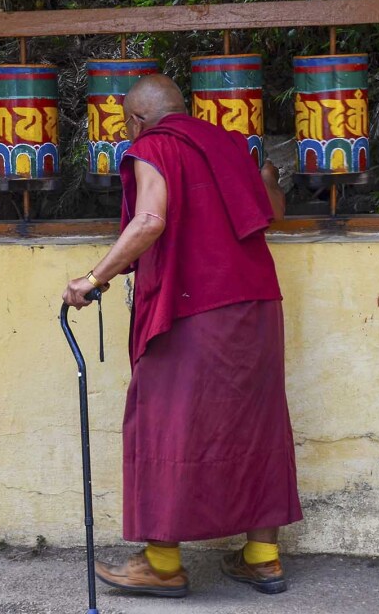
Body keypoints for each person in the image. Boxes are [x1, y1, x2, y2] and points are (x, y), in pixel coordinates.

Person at [62, 74, 302, 598]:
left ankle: (163, 564)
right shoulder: (231, 144)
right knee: (255, 421)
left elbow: (149, 220)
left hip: (193, 308)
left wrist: (93, 278)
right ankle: (262, 558)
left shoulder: (155, 146)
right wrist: (269, 176)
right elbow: (273, 211)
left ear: (136, 120)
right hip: (257, 305)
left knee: (163, 421)